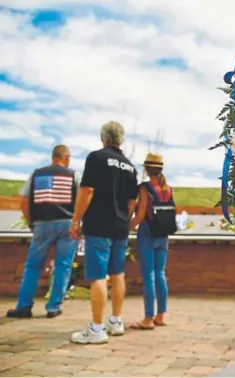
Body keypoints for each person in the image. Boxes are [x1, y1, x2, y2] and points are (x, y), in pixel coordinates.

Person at [69, 121, 138, 344]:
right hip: (120, 226)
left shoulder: (96, 158)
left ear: (104, 138)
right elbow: (132, 201)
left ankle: (96, 329)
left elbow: (87, 189)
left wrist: (76, 220)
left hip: (99, 225)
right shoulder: (130, 166)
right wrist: (123, 220)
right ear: (121, 139)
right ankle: (116, 322)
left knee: (98, 275)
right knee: (117, 273)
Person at [6, 145, 79, 319]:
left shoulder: (37, 174)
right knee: (63, 266)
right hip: (67, 223)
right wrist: (77, 223)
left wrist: (31, 222)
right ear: (66, 158)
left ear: (53, 157)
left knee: (33, 265)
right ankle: (53, 307)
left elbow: (24, 201)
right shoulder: (73, 175)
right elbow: (80, 201)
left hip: (42, 225)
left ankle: (24, 307)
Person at [129, 152, 177, 330]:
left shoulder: (145, 188)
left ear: (147, 169)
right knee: (160, 274)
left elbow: (141, 214)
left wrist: (130, 225)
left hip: (148, 233)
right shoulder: (168, 188)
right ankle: (160, 315)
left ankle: (148, 319)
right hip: (163, 235)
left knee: (148, 275)